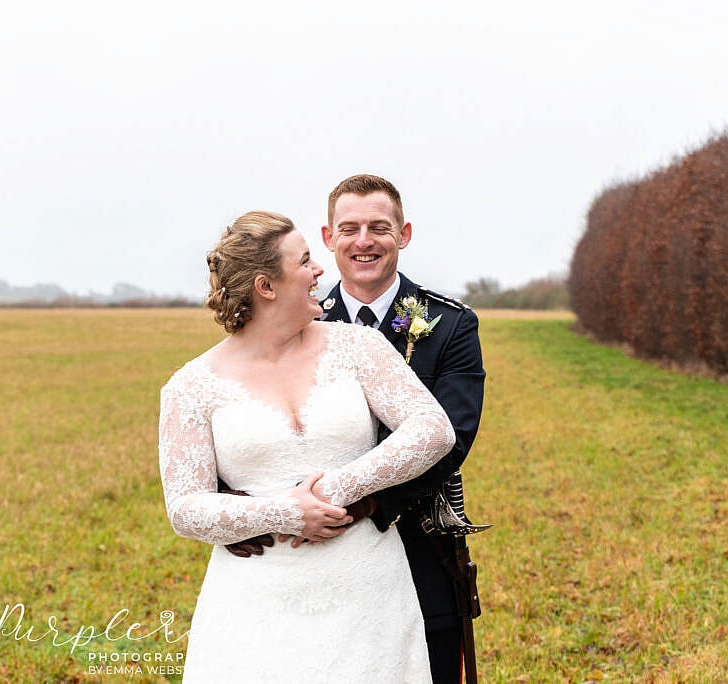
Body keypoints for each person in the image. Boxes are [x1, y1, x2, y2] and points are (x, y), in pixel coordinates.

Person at [158, 210, 455, 682]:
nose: (320, 271)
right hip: (255, 602)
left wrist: (336, 488)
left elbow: (432, 429)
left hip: (368, 591)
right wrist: (285, 513)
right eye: (304, 262)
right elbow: (185, 508)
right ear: (266, 287)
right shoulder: (190, 386)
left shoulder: (360, 347)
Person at [225, 174, 486, 683]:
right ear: (328, 238)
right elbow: (241, 406)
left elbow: (451, 437)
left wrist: (364, 502)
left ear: (403, 234)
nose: (363, 241)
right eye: (349, 228)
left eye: (378, 227)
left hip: (416, 540)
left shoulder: (450, 324)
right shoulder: (291, 316)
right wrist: (238, 507)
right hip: (295, 551)